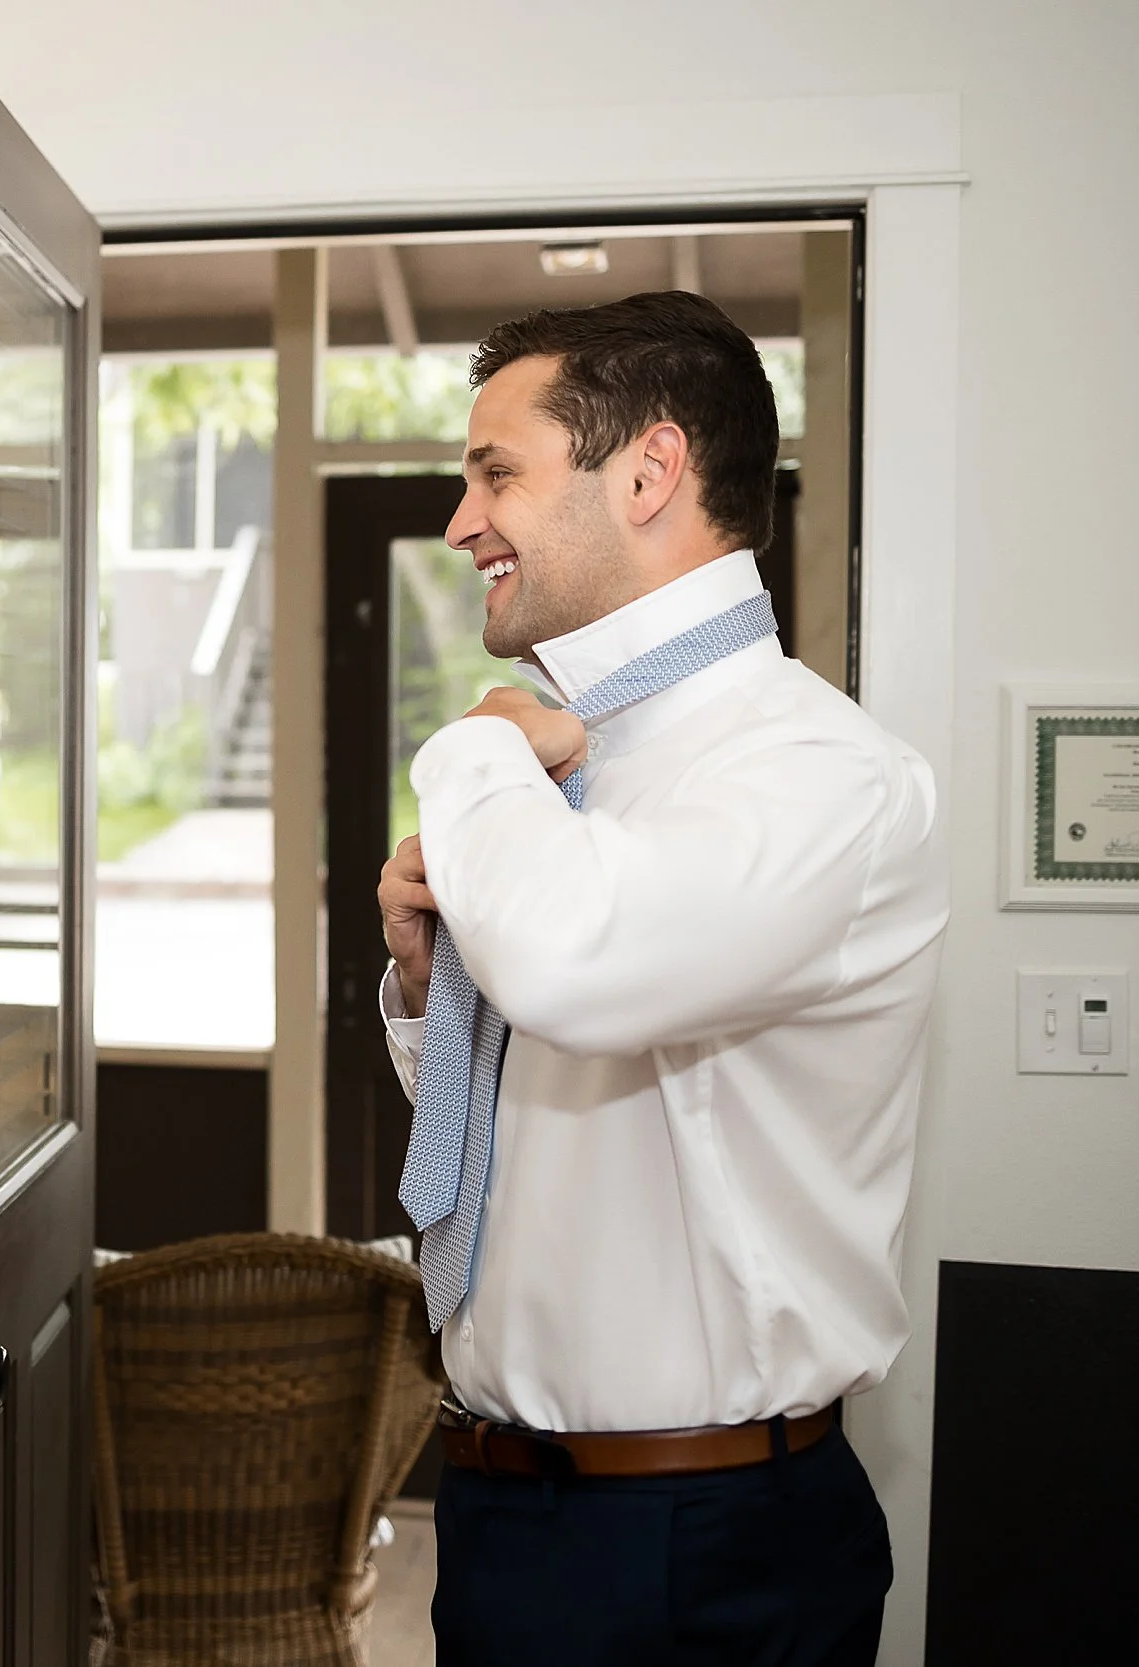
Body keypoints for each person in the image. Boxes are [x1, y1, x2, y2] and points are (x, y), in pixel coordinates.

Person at [375, 290, 948, 1666]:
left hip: (697, 1547)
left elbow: (579, 968)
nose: (461, 524)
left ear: (649, 470)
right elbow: (571, 1078)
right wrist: (425, 981)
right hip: (511, 1509)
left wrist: (469, 749)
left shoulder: (822, 776)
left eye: (494, 471)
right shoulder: (589, 754)